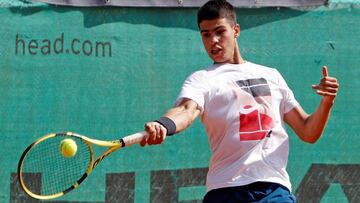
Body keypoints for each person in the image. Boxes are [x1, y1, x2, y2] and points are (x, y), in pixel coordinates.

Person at [141, 0, 339, 202]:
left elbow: (308, 131)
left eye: (220, 32)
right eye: (206, 34)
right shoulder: (202, 79)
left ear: (236, 30)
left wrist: (326, 102)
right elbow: (186, 109)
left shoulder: (272, 75)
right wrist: (164, 124)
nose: (213, 41)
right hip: (226, 190)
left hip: (274, 190)